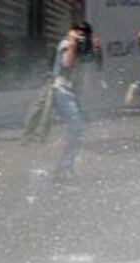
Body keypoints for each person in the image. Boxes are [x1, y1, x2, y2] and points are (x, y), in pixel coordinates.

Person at [51, 24, 88, 181]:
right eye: (77, 34)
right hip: (62, 92)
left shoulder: (76, 46)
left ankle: (65, 166)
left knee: (75, 129)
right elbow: (66, 63)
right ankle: (64, 167)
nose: (81, 37)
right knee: (76, 127)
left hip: (68, 92)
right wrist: (73, 43)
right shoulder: (66, 44)